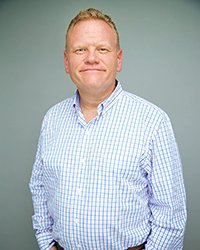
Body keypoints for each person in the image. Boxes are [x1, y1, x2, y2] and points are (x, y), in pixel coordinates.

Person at [29, 8, 187, 250]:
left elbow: (171, 215)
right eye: (80, 49)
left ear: (119, 59)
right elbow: (39, 187)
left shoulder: (153, 121)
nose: (91, 58)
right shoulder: (52, 119)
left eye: (102, 49)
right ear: (66, 61)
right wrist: (46, 242)